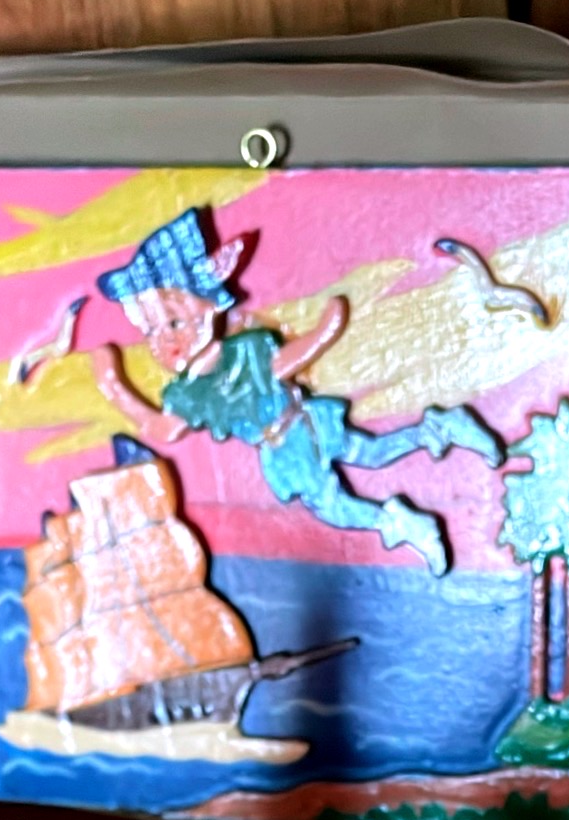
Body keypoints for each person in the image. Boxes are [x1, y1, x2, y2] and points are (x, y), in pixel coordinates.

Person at [87, 208, 502, 576]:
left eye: (174, 324)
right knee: (357, 470)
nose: (164, 342)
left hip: (296, 429)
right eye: (151, 331)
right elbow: (165, 428)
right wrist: (114, 386)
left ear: (209, 308)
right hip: (282, 442)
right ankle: (438, 439)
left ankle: (412, 509)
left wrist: (322, 335)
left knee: (343, 492)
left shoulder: (241, 352)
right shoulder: (189, 393)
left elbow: (279, 366)